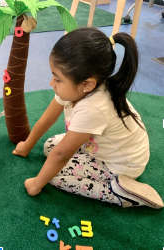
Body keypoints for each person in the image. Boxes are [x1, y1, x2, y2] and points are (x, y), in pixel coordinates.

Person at [13, 27, 163, 209]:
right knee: (49, 147)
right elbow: (47, 119)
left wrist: (37, 184)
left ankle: (121, 192)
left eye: (57, 79)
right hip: (104, 148)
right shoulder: (77, 87)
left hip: (122, 164)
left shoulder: (94, 108)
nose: (51, 83)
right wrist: (26, 146)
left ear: (87, 84)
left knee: (56, 177)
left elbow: (61, 155)